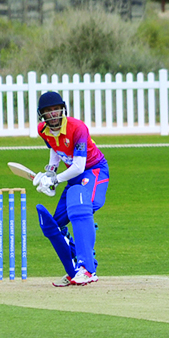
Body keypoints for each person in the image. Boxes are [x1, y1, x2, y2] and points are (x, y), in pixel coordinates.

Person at [30, 91, 110, 286]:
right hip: (73, 176)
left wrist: (55, 180)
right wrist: (50, 171)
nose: (54, 114)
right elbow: (55, 148)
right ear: (42, 115)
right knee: (55, 224)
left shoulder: (77, 128)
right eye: (49, 111)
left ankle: (88, 269)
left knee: (79, 208)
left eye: (56, 109)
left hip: (94, 170)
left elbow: (79, 166)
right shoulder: (43, 130)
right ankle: (74, 270)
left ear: (63, 109)